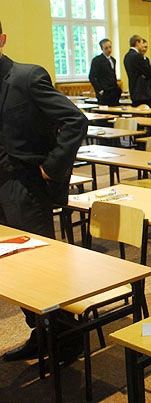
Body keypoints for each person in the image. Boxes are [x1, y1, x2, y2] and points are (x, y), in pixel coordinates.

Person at [0, 20, 89, 361]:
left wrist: (51, 167)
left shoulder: (26, 77)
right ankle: (40, 331)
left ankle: (66, 338)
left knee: (40, 267)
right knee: (13, 269)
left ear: (2, 40)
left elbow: (75, 120)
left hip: (24, 186)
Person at [89, 38, 121, 106]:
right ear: (102, 49)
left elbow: (113, 74)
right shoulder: (97, 60)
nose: (109, 50)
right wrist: (100, 90)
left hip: (114, 91)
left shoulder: (113, 60)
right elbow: (92, 77)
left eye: (110, 47)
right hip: (104, 92)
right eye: (106, 48)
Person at [124, 35, 151, 106]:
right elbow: (148, 72)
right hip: (142, 92)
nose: (142, 46)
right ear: (137, 43)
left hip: (133, 89)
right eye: (142, 43)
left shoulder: (126, 56)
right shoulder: (137, 56)